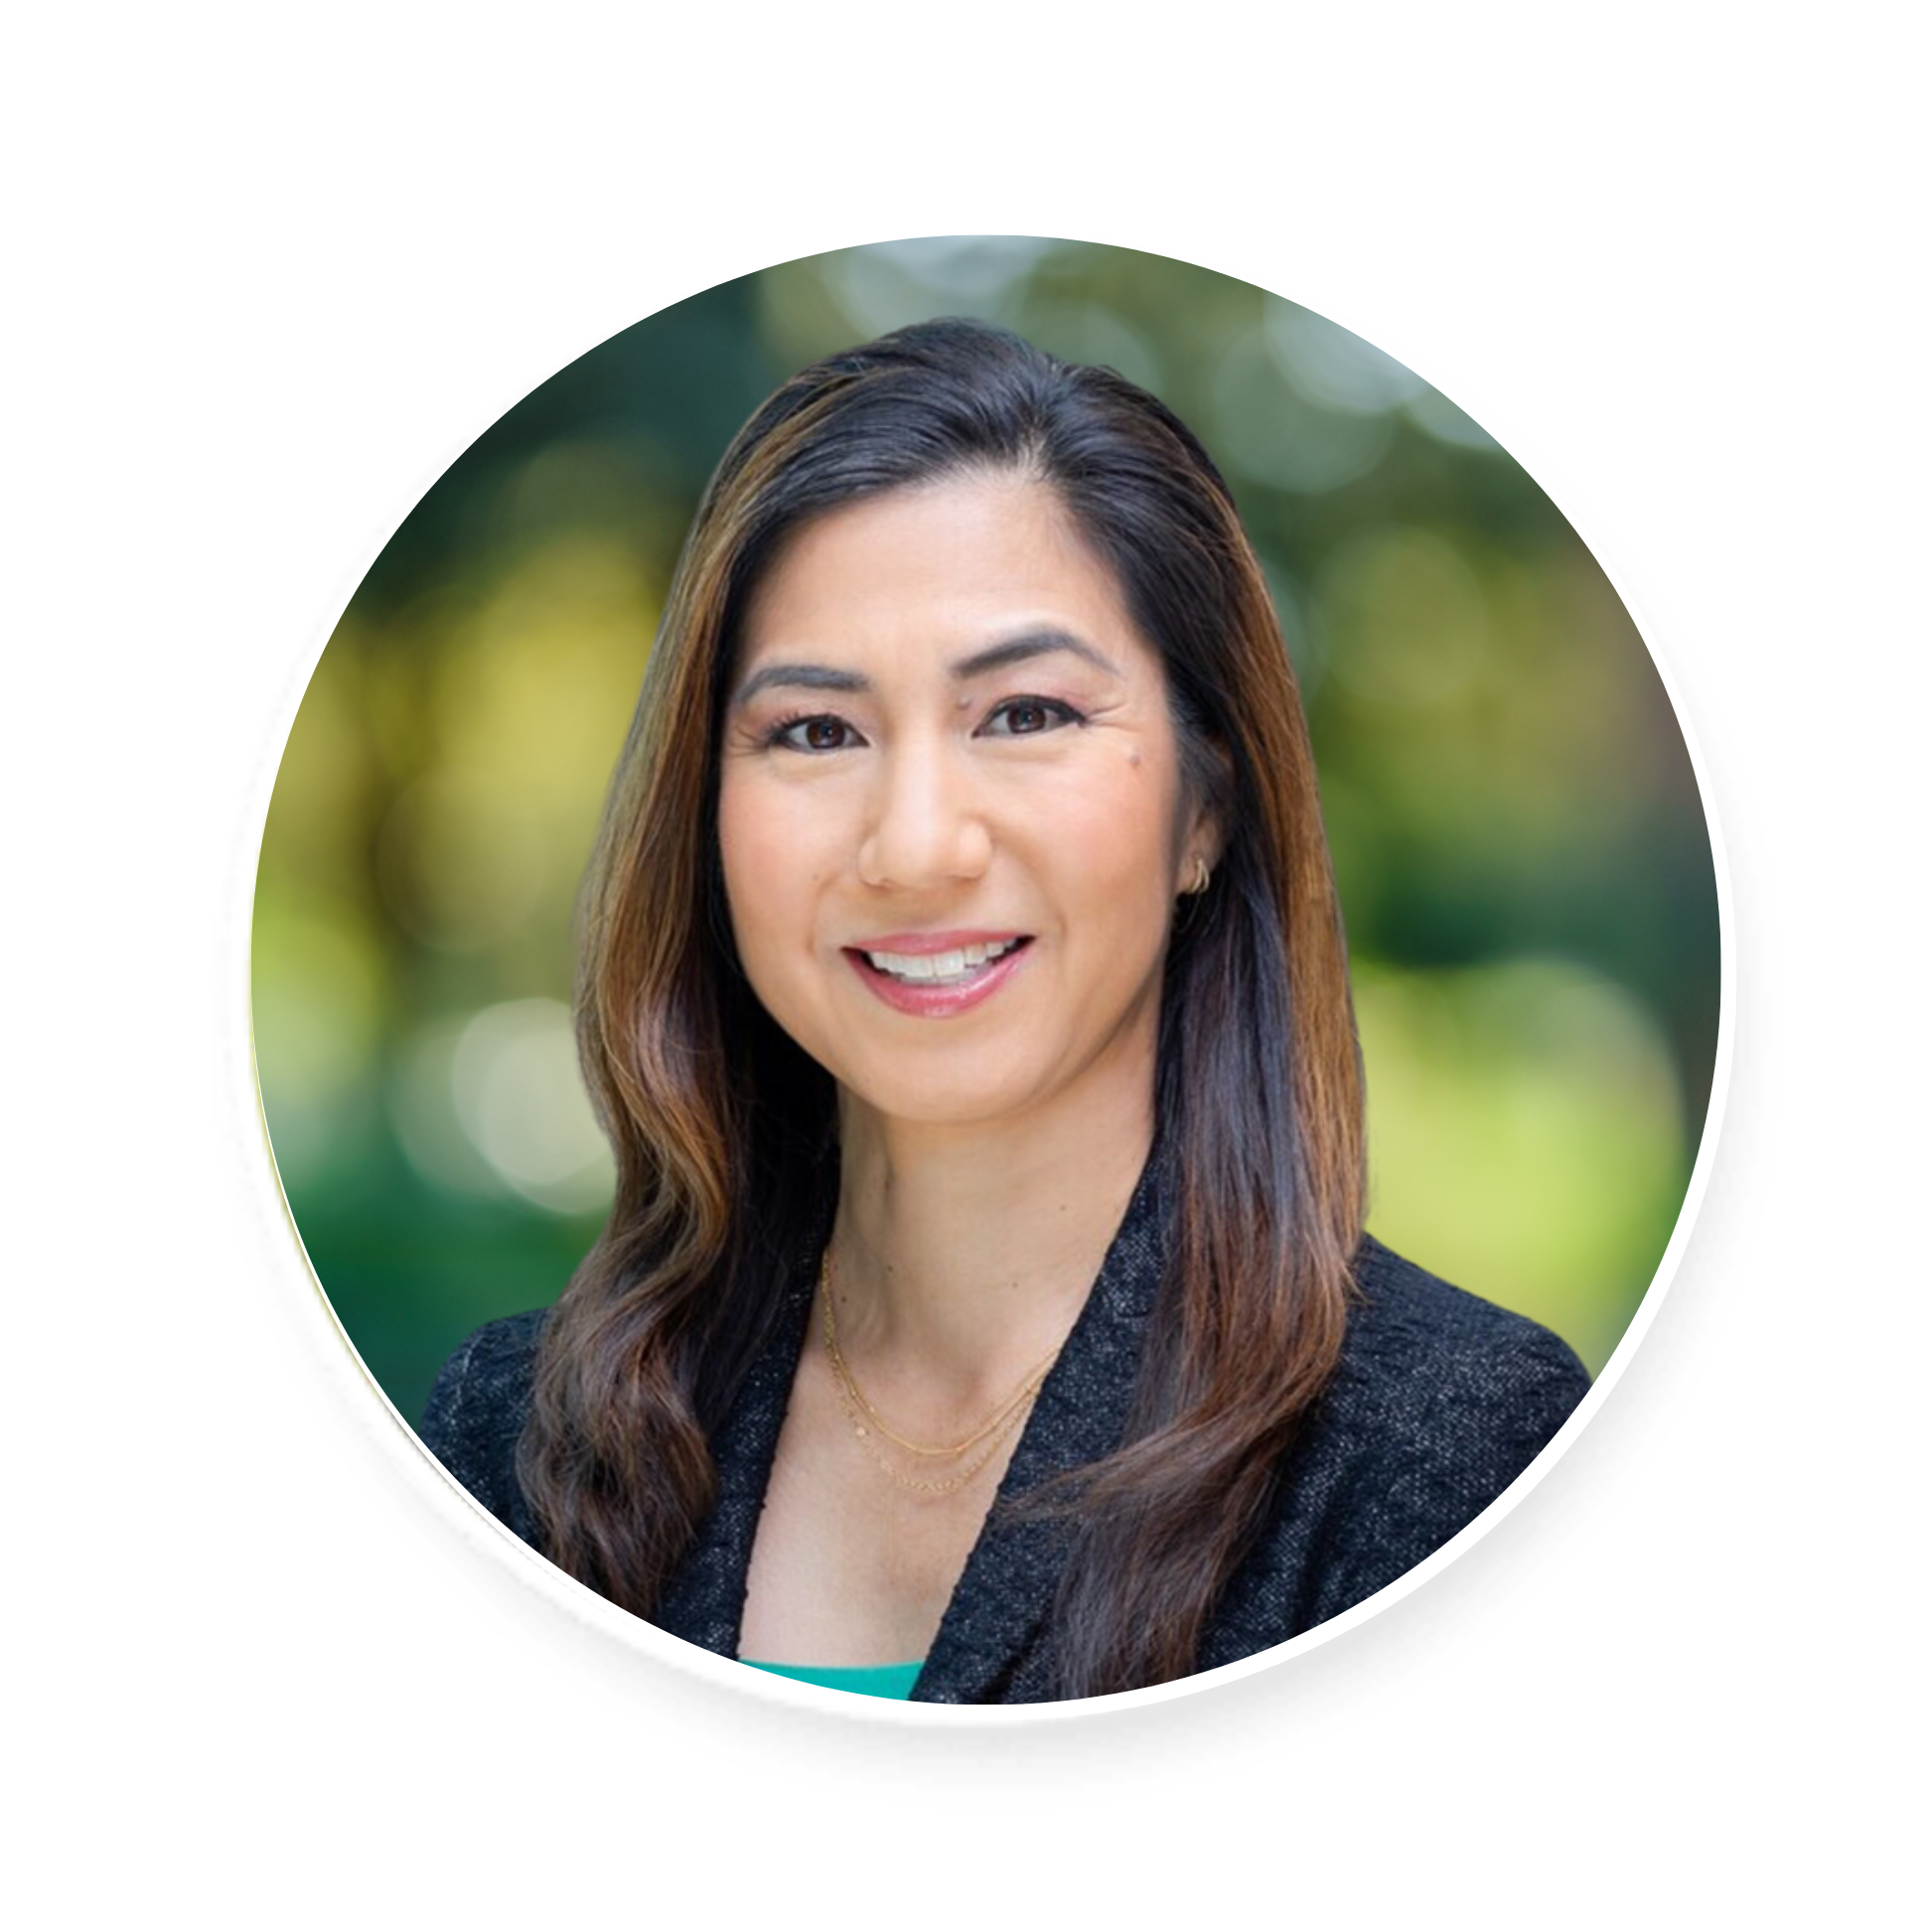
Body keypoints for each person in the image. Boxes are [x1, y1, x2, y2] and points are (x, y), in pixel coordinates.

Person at [422, 318, 1590, 1705]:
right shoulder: (520, 1444)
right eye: (815, 732)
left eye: (1026, 714)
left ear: (1205, 808)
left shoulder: (1446, 1456)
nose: (915, 846)